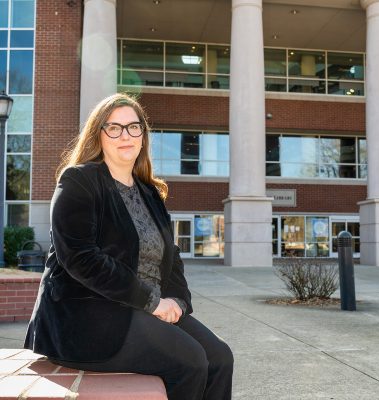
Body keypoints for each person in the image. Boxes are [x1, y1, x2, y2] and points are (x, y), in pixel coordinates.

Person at [24, 93, 233, 400]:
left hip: (146, 311)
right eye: (114, 128)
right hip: (87, 317)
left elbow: (170, 256)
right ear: (98, 134)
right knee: (190, 361)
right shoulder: (79, 180)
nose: (125, 135)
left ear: (143, 136)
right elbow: (80, 258)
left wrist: (178, 301)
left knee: (220, 358)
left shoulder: (149, 192)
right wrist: (152, 302)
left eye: (134, 127)